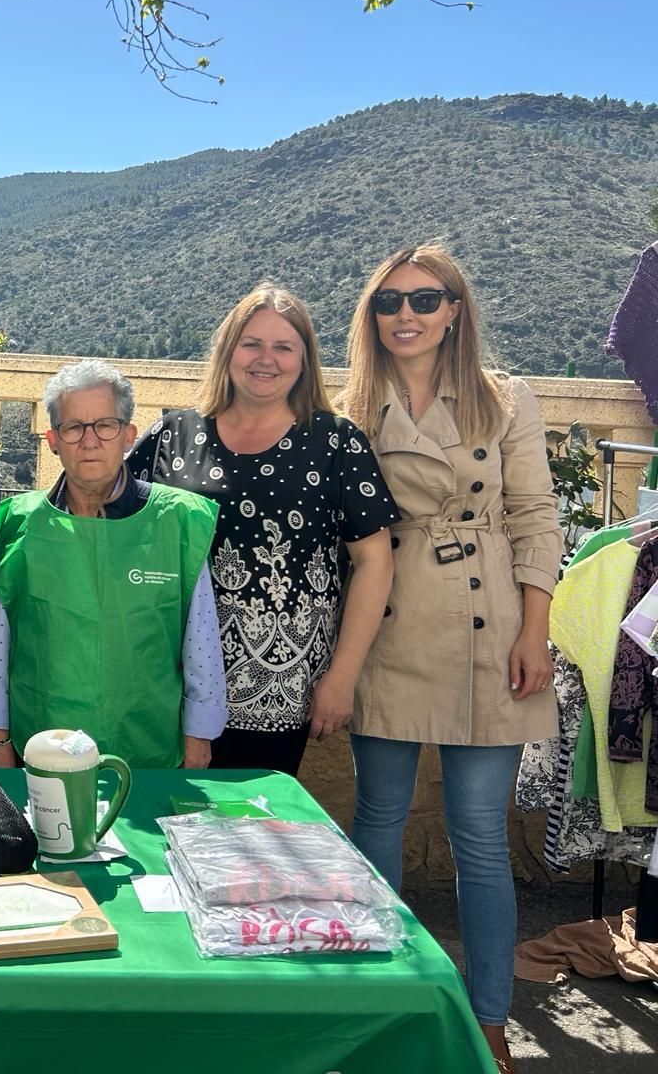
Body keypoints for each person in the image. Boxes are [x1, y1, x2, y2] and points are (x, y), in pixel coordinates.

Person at [340, 244, 560, 1074]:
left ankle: (491, 1019)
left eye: (424, 300)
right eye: (388, 302)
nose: (406, 315)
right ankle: (384, 1005)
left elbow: (537, 517)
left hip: (489, 626)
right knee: (378, 824)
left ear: (455, 310)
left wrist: (533, 629)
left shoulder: (506, 399)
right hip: (389, 627)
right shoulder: (354, 405)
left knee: (479, 836)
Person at [127, 283, 396, 776]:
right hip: (166, 671)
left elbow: (375, 561)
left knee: (249, 826)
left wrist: (342, 677)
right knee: (164, 813)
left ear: (304, 359)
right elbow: (105, 517)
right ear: (229, 349)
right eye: (251, 343)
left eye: (283, 346)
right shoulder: (173, 434)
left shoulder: (335, 442)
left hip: (278, 682)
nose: (265, 359)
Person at [0, 360, 226, 770]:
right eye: (73, 427)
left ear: (128, 434)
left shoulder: (179, 520)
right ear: (52, 439)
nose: (89, 441)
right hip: (40, 743)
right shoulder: (19, 522)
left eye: (105, 425)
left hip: (151, 742)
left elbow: (202, 645)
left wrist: (200, 739)